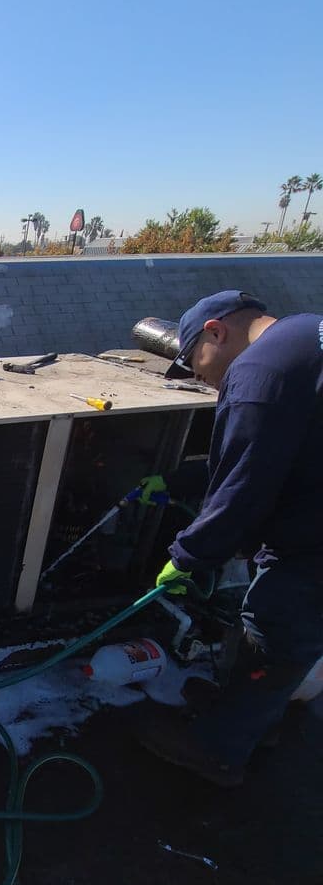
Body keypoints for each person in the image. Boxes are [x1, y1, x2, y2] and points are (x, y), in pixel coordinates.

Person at [137, 289, 323, 787]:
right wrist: (178, 483)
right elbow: (275, 455)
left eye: (195, 361)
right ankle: (251, 720)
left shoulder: (258, 374)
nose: (201, 376)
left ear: (216, 331)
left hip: (312, 542)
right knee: (283, 628)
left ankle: (217, 750)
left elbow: (245, 484)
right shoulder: (306, 333)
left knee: (275, 631)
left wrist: (188, 555)